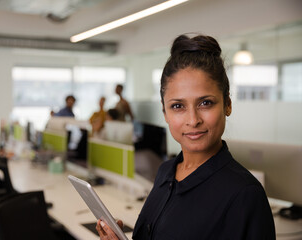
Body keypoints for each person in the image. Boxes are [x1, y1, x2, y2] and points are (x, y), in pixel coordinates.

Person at [96, 34, 276, 239]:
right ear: (165, 113)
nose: (193, 120)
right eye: (178, 106)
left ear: (228, 104)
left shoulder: (245, 194)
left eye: (205, 103)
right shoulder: (165, 172)